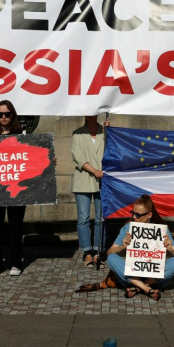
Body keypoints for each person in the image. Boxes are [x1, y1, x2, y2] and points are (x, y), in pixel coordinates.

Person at [105, 195, 174, 300]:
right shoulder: (128, 228)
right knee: (111, 259)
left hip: (154, 277)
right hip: (131, 276)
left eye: (138, 215)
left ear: (149, 215)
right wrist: (122, 247)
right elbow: (110, 252)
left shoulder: (161, 230)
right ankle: (146, 288)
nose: (134, 217)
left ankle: (138, 288)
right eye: (133, 213)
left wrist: (170, 250)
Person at [0, 100, 27, 276]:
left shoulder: (22, 135)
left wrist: (49, 161)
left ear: (12, 116)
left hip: (16, 188)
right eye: (0, 114)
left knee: (15, 226)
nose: (3, 117)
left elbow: (31, 159)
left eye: (7, 114)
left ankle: (15, 263)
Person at [72, 115, 110, 268]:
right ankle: (87, 251)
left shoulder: (104, 133)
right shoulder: (77, 133)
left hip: (103, 180)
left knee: (101, 218)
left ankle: (98, 250)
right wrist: (94, 170)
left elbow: (112, 150)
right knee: (83, 217)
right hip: (84, 179)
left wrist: (109, 131)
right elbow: (78, 157)